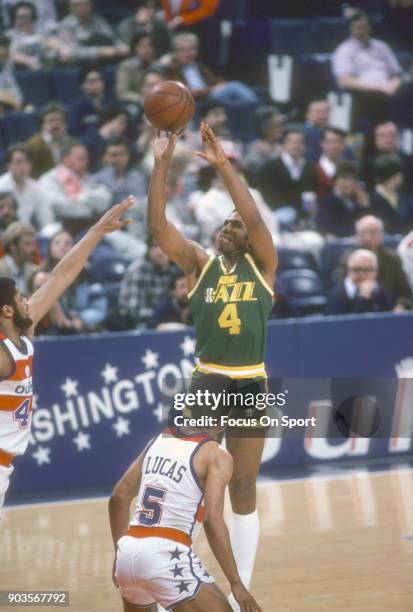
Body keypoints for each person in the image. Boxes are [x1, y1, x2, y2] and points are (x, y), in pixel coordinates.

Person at [148, 123, 277, 610]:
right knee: (185, 485)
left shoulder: (263, 264)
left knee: (243, 486)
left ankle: (239, 586)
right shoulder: (197, 263)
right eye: (224, 223)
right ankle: (168, 585)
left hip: (250, 382)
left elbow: (255, 218)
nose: (229, 226)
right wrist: (162, 163)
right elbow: (159, 225)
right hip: (206, 379)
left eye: (236, 224)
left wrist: (223, 164)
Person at [0, 195, 134, 516]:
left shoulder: (23, 331)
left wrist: (97, 232)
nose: (26, 301)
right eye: (21, 298)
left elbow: (61, 276)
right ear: (6, 309)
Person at [109, 414, 262, 612]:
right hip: (165, 556)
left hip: (128, 551)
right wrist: (236, 583)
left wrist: (120, 552)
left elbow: (118, 498)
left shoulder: (156, 441)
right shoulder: (216, 455)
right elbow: (212, 521)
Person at [331, 10, 403, 127]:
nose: (361, 31)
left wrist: (392, 86)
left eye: (364, 27)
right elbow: (345, 81)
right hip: (362, 95)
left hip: (389, 92)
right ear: (351, 29)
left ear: (370, 28)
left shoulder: (382, 46)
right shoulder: (344, 50)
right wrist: (379, 88)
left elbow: (397, 74)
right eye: (357, 28)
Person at [325, 248, 393, 315]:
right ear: (348, 271)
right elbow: (346, 324)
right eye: (356, 270)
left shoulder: (381, 290)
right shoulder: (336, 295)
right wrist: (363, 298)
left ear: (375, 272)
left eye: (366, 270)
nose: (362, 274)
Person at [0, 144, 52, 229]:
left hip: (25, 234)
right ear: (8, 165)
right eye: (18, 162)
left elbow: (46, 220)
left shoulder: (37, 187)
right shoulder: (1, 185)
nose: (23, 166)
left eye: (27, 161)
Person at [317, 161, 370, 237]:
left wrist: (364, 206)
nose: (348, 183)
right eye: (344, 178)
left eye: (352, 179)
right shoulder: (327, 201)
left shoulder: (355, 201)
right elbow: (326, 227)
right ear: (335, 180)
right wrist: (357, 232)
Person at [25, 102, 71, 179]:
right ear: (42, 125)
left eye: (60, 120)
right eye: (51, 120)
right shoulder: (32, 145)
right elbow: (30, 174)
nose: (56, 123)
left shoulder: (72, 143)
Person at [0, 221, 38, 294]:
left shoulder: (34, 271)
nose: (33, 249)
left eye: (34, 243)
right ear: (12, 246)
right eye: (28, 244)